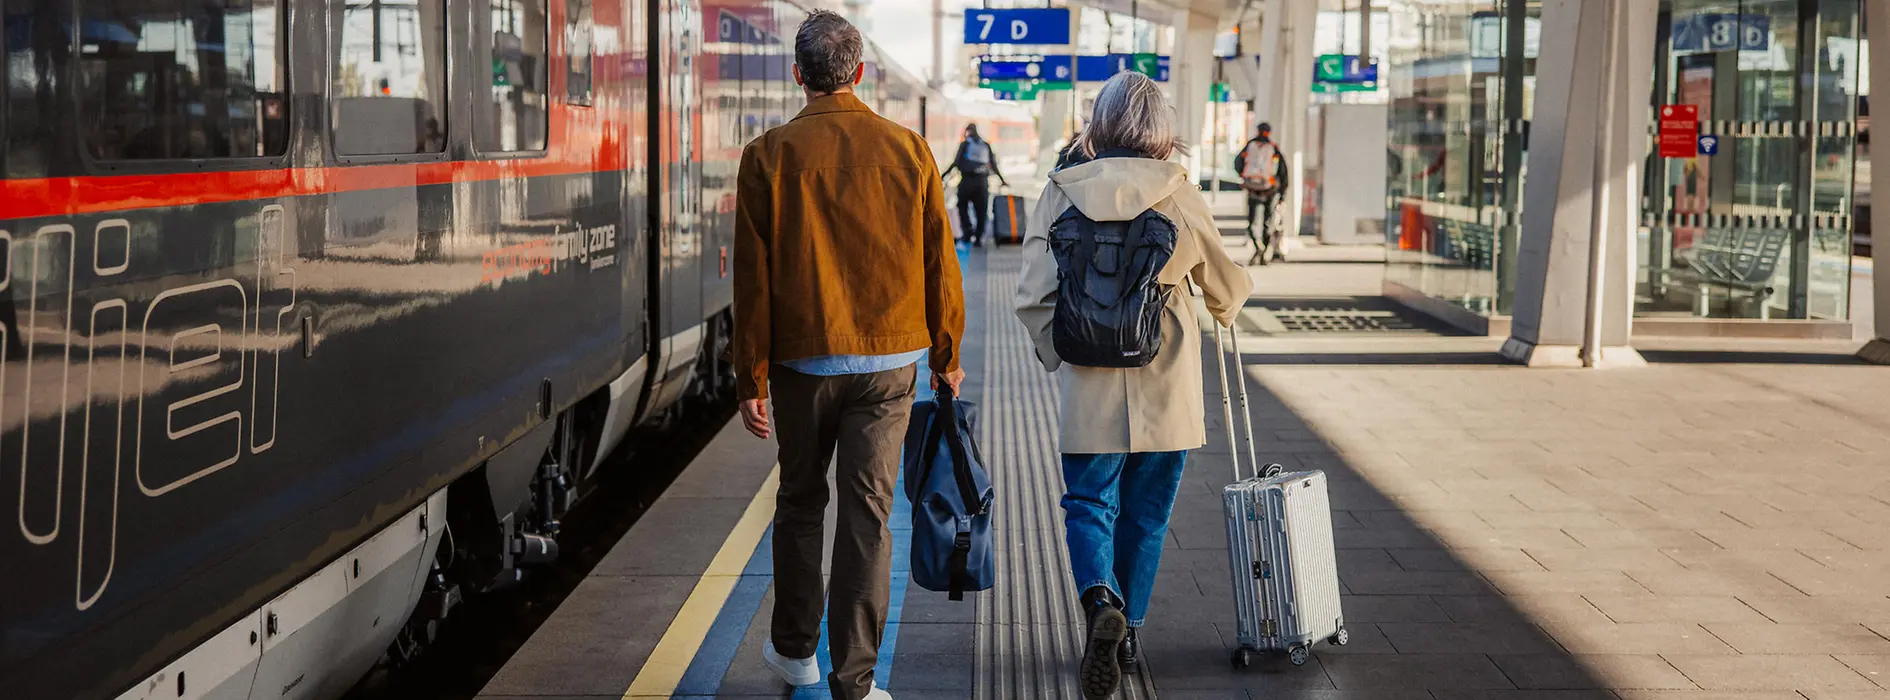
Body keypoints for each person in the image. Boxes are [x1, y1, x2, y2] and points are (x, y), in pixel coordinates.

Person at [732, 11, 965, 700]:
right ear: (858, 73)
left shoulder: (766, 155)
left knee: (801, 500)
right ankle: (855, 681)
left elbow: (753, 278)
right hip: (890, 365)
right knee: (868, 512)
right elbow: (939, 264)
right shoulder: (910, 150)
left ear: (798, 74)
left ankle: (793, 653)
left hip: (803, 366)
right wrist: (947, 355)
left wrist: (750, 377)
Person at [1014, 72, 1252, 700]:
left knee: (1088, 502)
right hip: (1166, 382)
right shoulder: (1180, 192)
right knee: (1147, 515)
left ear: (1101, 123)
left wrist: (1057, 354)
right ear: (1161, 129)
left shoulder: (1061, 191)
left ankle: (1099, 603)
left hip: (1090, 381)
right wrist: (1223, 305)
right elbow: (1226, 288)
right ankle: (1131, 629)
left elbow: (1031, 292)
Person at [940, 124, 1009, 246]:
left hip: (967, 181)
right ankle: (978, 237)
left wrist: (942, 176)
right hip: (982, 183)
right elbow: (993, 164)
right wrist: (1002, 180)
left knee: (962, 206)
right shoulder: (985, 145)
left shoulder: (965, 144)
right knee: (981, 211)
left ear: (968, 131)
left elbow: (956, 162)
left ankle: (967, 231)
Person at [1233, 122, 1290, 265]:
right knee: (1267, 222)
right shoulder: (1274, 148)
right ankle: (1264, 251)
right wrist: (1282, 193)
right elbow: (1283, 171)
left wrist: (1245, 177)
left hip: (1253, 189)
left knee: (1252, 222)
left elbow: (1237, 163)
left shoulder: (1250, 146)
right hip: (1270, 190)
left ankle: (1258, 245)